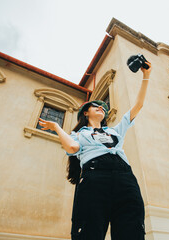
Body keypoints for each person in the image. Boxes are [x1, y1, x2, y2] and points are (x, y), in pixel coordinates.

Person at [38, 61, 151, 239]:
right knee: (89, 230)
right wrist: (56, 127)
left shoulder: (114, 131)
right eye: (96, 106)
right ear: (85, 112)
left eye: (104, 108)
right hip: (94, 177)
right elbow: (72, 147)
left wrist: (146, 75)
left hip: (125, 178)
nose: (102, 108)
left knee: (132, 229)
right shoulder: (79, 134)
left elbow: (138, 106)